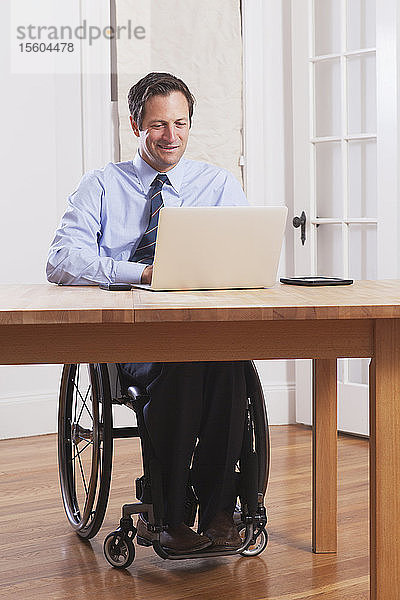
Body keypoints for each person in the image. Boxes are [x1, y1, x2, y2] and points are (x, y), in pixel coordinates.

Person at [47, 72, 249, 554]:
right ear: (137, 125)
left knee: (232, 364)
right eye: (159, 125)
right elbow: (61, 261)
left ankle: (220, 508)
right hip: (133, 333)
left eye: (181, 123)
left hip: (203, 325)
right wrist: (140, 273)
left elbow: (244, 255)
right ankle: (171, 510)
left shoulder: (216, 184)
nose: (171, 137)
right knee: (180, 365)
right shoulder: (100, 185)